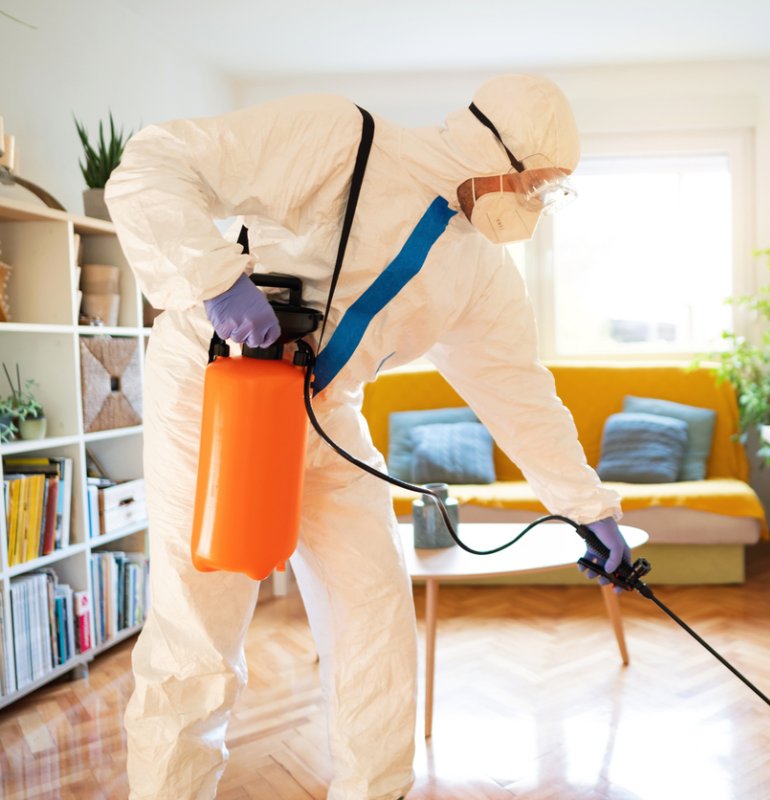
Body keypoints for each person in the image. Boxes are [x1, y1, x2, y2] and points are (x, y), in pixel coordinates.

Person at [105, 75, 633, 800]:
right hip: (216, 392)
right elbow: (153, 164)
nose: (538, 206)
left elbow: (519, 394)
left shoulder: (481, 272)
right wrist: (216, 281)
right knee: (198, 635)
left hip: (325, 411)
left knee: (376, 619)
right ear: (499, 150)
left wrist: (588, 508)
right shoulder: (340, 138)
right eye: (541, 185)